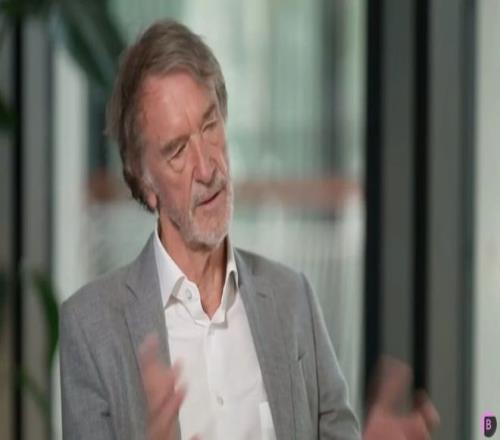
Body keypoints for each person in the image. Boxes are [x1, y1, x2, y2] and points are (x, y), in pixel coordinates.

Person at [59, 20, 438, 440]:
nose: (208, 168)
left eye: (209, 126)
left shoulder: (293, 299)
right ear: (146, 184)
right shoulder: (91, 327)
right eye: (178, 150)